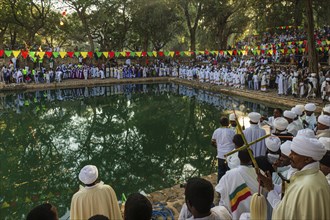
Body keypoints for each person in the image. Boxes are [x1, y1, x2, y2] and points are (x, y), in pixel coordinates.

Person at [258, 136, 330, 220]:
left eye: (294, 153)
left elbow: (284, 214)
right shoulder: (315, 174)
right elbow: (291, 190)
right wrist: (271, 186)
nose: (289, 156)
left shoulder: (307, 186)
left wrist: (270, 190)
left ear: (307, 159)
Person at [215, 149, 259, 219]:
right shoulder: (260, 173)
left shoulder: (229, 175)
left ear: (239, 158)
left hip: (235, 215)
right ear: (252, 159)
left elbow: (220, 190)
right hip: (257, 212)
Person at [211, 117, 236, 182]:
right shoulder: (232, 131)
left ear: (220, 123)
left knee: (221, 171)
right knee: (229, 170)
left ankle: (220, 184)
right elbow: (235, 142)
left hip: (220, 154)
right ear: (228, 123)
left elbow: (212, 142)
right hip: (230, 154)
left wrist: (218, 147)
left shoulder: (216, 131)